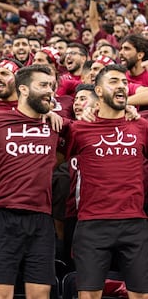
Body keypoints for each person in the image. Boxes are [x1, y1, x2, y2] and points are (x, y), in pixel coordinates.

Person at [0, 65, 65, 299]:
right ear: (24, 89)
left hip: (41, 218)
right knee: (0, 295)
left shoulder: (56, 124)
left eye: (51, 86)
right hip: (2, 216)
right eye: (43, 85)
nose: (50, 91)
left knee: (40, 295)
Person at [67, 64, 148, 299]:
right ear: (99, 92)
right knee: (89, 296)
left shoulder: (141, 126)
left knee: (141, 295)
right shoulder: (79, 129)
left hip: (134, 222)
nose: (121, 85)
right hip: (92, 224)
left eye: (124, 82)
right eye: (114, 81)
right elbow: (56, 158)